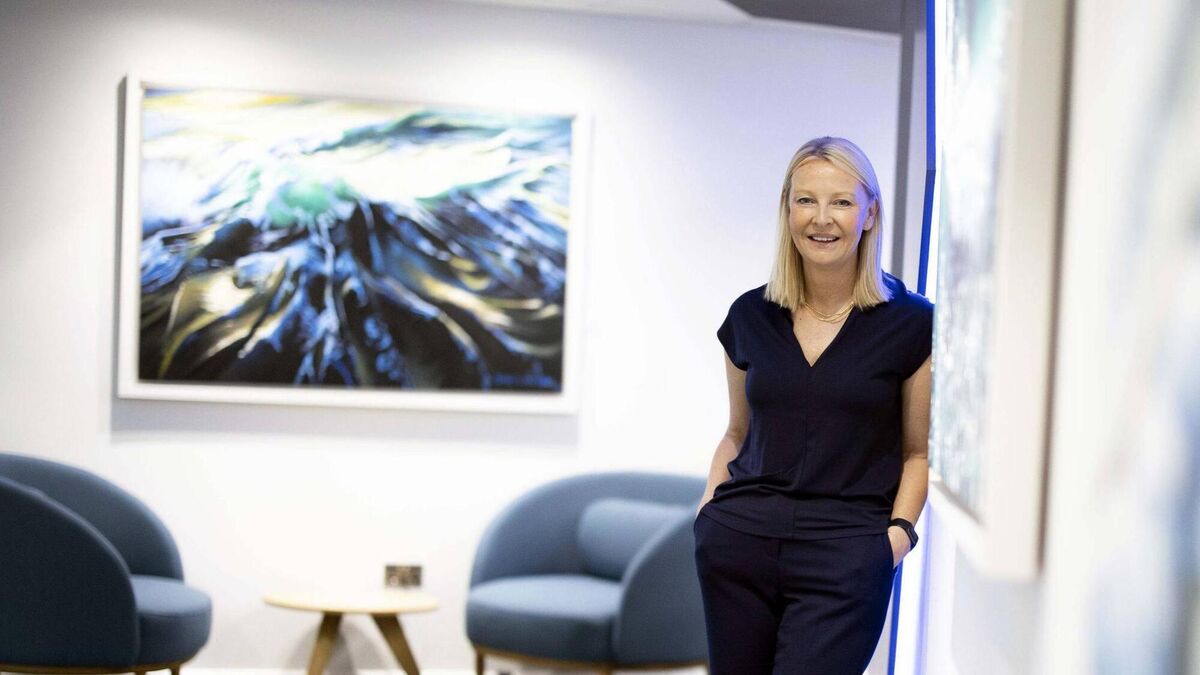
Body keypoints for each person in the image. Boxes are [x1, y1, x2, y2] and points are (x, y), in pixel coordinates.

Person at [693, 136, 933, 674]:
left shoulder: (914, 323)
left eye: (841, 201)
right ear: (787, 210)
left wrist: (896, 539)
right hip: (738, 546)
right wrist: (709, 512)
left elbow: (918, 453)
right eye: (806, 200)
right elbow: (737, 433)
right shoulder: (750, 314)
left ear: (870, 214)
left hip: (846, 557)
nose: (821, 219)